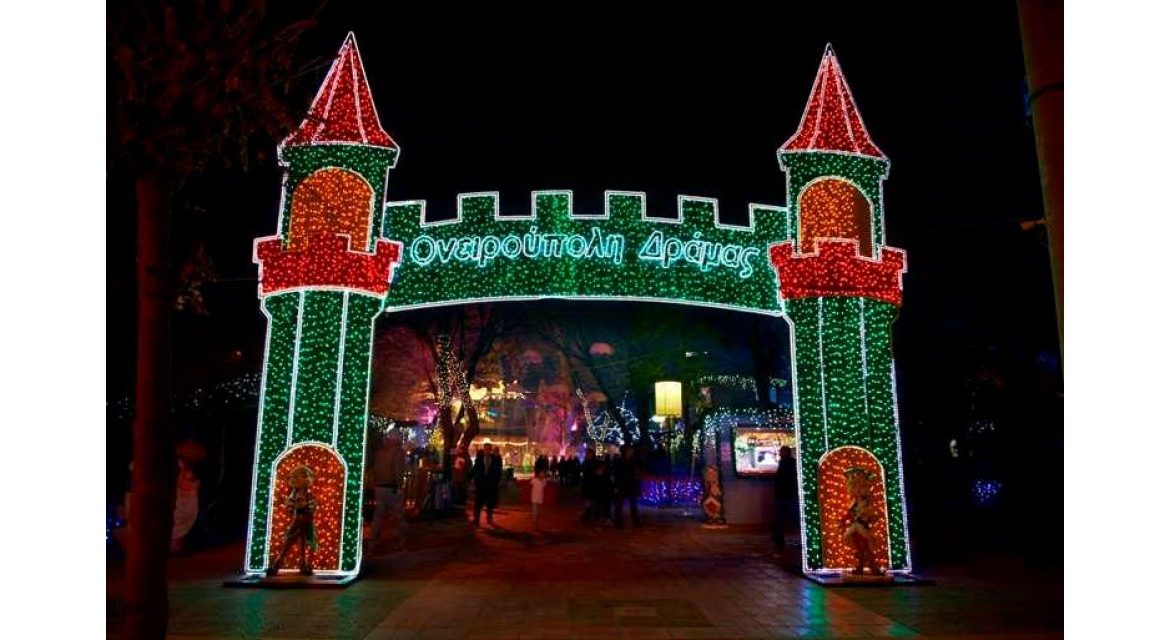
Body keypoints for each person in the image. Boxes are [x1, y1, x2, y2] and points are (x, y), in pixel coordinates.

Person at [267, 465, 318, 576]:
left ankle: (303, 565)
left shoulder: (309, 495)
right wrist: (294, 506)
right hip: (297, 521)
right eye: (297, 477)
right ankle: (277, 564)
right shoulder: (293, 495)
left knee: (304, 544)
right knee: (289, 542)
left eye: (303, 477)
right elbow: (289, 505)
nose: (300, 479)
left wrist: (307, 507)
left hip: (306, 521)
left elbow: (313, 505)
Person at [369, 432, 407, 552]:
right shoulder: (398, 452)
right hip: (391, 487)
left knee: (378, 516)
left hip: (379, 487)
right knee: (398, 515)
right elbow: (398, 470)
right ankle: (400, 541)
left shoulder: (380, 453)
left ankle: (372, 541)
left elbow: (375, 469)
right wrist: (400, 487)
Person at [843, 467, 884, 575]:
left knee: (866, 548)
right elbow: (849, 515)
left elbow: (872, 515)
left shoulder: (867, 503)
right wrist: (843, 521)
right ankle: (860, 567)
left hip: (862, 527)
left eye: (861, 487)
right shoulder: (854, 502)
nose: (859, 490)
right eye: (856, 487)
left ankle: (874, 568)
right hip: (855, 528)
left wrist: (866, 515)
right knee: (859, 549)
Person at [773, 445, 798, 550]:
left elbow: (782, 478)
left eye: (781, 451)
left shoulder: (786, 463)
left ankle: (781, 539)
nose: (779, 453)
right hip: (789, 494)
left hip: (786, 494)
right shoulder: (790, 462)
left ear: (786, 452)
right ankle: (785, 538)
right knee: (790, 517)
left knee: (782, 517)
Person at [473, 444, 503, 526]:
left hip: (490, 485)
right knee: (478, 504)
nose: (487, 451)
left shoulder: (495, 459)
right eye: (485, 449)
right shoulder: (479, 459)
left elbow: (498, 471)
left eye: (488, 449)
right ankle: (476, 520)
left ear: (490, 450)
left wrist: (496, 482)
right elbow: (475, 470)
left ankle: (489, 518)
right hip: (481, 485)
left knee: (490, 504)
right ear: (484, 450)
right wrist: (472, 479)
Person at [613, 445, 642, 528]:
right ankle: (618, 522)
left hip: (631, 485)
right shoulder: (620, 461)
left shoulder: (632, 461)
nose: (631, 453)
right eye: (630, 451)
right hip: (622, 484)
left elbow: (634, 471)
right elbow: (617, 474)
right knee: (619, 504)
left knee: (633, 503)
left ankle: (635, 520)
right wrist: (616, 485)